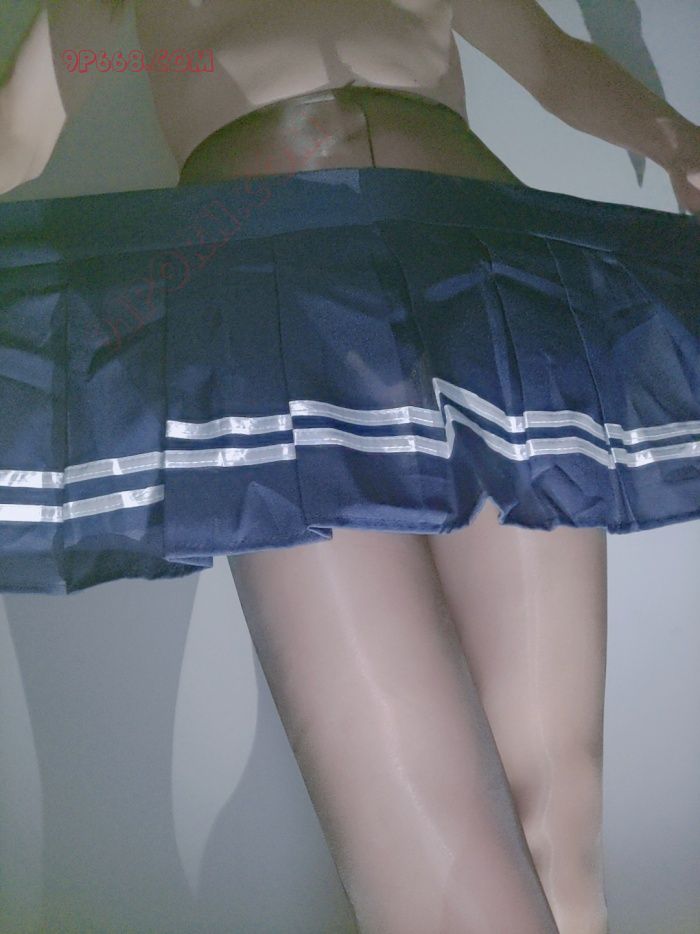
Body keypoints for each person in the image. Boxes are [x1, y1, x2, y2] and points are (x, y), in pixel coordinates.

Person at [1, 2, 698, 932]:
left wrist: (677, 139)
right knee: (422, 843)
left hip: (491, 280)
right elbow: (19, 133)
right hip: (269, 302)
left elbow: (548, 59)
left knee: (556, 810)